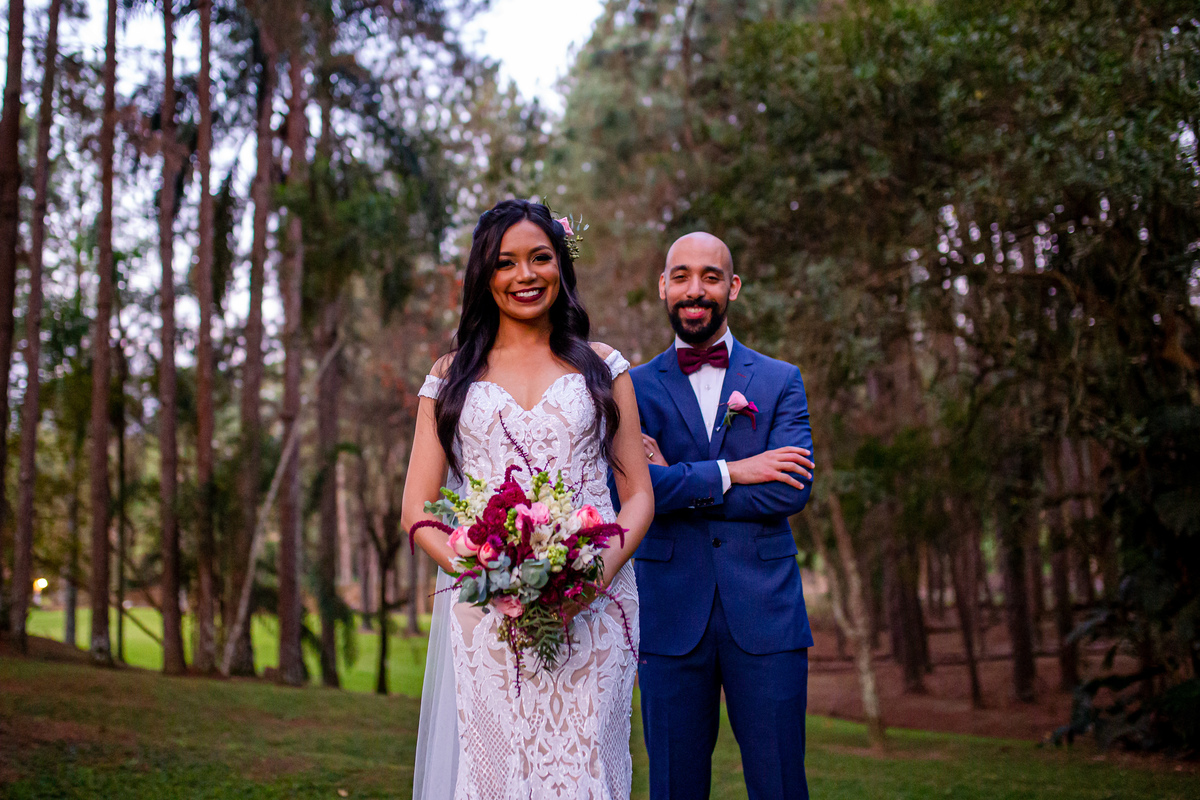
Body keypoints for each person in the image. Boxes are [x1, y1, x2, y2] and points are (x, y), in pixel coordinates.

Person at [402, 199, 654, 800]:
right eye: (506, 262)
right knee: (500, 773)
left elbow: (639, 496)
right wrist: (491, 577)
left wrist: (594, 575)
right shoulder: (449, 377)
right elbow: (416, 511)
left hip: (598, 608)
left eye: (540, 258)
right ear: (484, 276)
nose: (525, 276)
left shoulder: (604, 368)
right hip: (489, 619)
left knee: (589, 766)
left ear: (561, 266)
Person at [631, 232, 816, 800]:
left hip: (767, 615)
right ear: (663, 286)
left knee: (781, 786)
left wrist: (675, 479)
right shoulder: (630, 389)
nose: (695, 289)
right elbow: (635, 495)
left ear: (732, 287)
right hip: (668, 616)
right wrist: (738, 469)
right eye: (681, 276)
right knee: (672, 788)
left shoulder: (780, 380)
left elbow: (790, 490)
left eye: (711, 276)